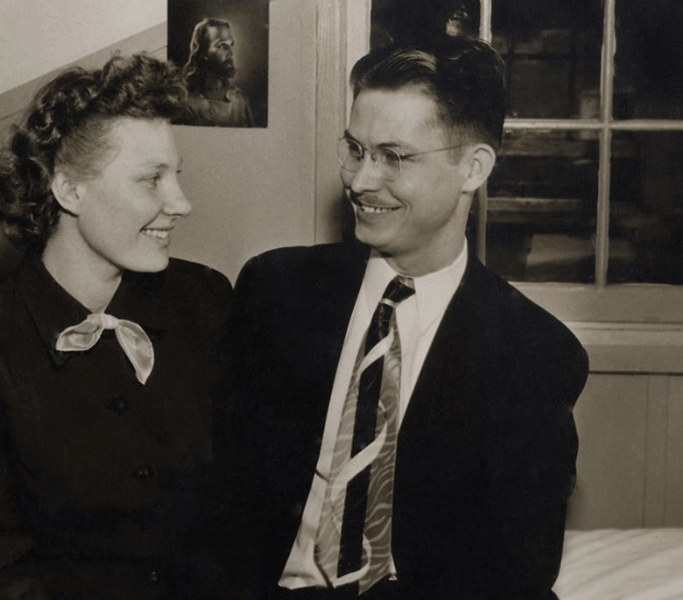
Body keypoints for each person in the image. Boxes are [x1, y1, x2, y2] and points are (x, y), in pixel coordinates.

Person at [230, 36, 589, 600]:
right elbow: (216, 508)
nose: (360, 180)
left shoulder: (535, 354)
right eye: (355, 149)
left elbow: (514, 575)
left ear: (474, 168)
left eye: (393, 157)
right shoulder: (274, 292)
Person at [0, 53, 246, 600]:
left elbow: (241, 520)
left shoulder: (206, 301)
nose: (180, 203)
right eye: (150, 181)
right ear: (68, 190)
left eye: (175, 176)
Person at [179, 17, 254, 127]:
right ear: (203, 52)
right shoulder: (189, 106)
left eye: (230, 45)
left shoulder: (239, 101)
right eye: (222, 45)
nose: (230, 52)